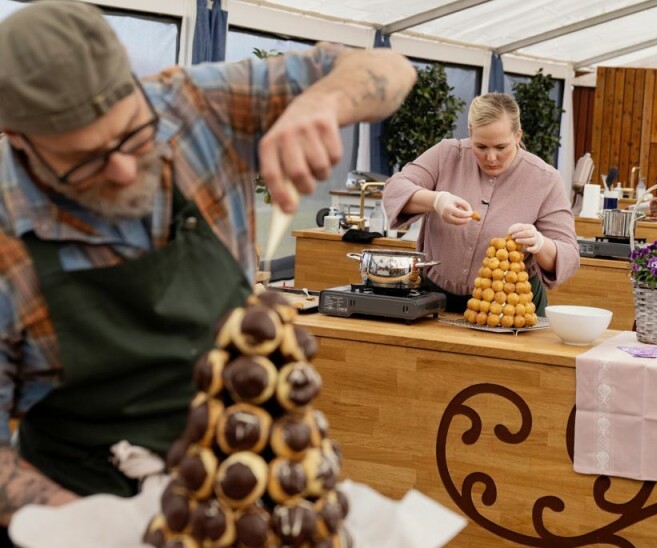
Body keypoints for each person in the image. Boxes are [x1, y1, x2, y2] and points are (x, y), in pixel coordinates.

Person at [0, 0, 415, 527]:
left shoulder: (198, 104)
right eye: (87, 161)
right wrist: (101, 530)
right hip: (87, 507)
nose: (125, 170)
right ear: (18, 141)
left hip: (249, 492)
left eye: (134, 133)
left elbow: (390, 68)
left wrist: (323, 103)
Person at [382, 92, 579, 316]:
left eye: (501, 147)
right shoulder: (447, 154)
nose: (491, 157)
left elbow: (569, 254)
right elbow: (394, 189)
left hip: (510, 308)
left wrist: (540, 243)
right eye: (481, 147)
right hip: (434, 298)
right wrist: (436, 200)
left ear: (518, 135)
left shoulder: (545, 179)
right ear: (470, 134)